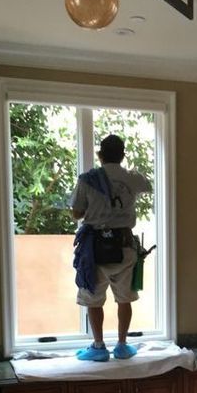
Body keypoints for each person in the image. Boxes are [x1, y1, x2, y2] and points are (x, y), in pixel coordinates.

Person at [70, 134, 152, 362]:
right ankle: (123, 346)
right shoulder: (133, 178)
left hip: (95, 249)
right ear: (123, 155)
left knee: (93, 298)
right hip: (124, 246)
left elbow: (77, 212)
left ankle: (98, 347)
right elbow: (148, 186)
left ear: (100, 155)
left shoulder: (87, 179)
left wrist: (95, 210)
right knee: (124, 298)